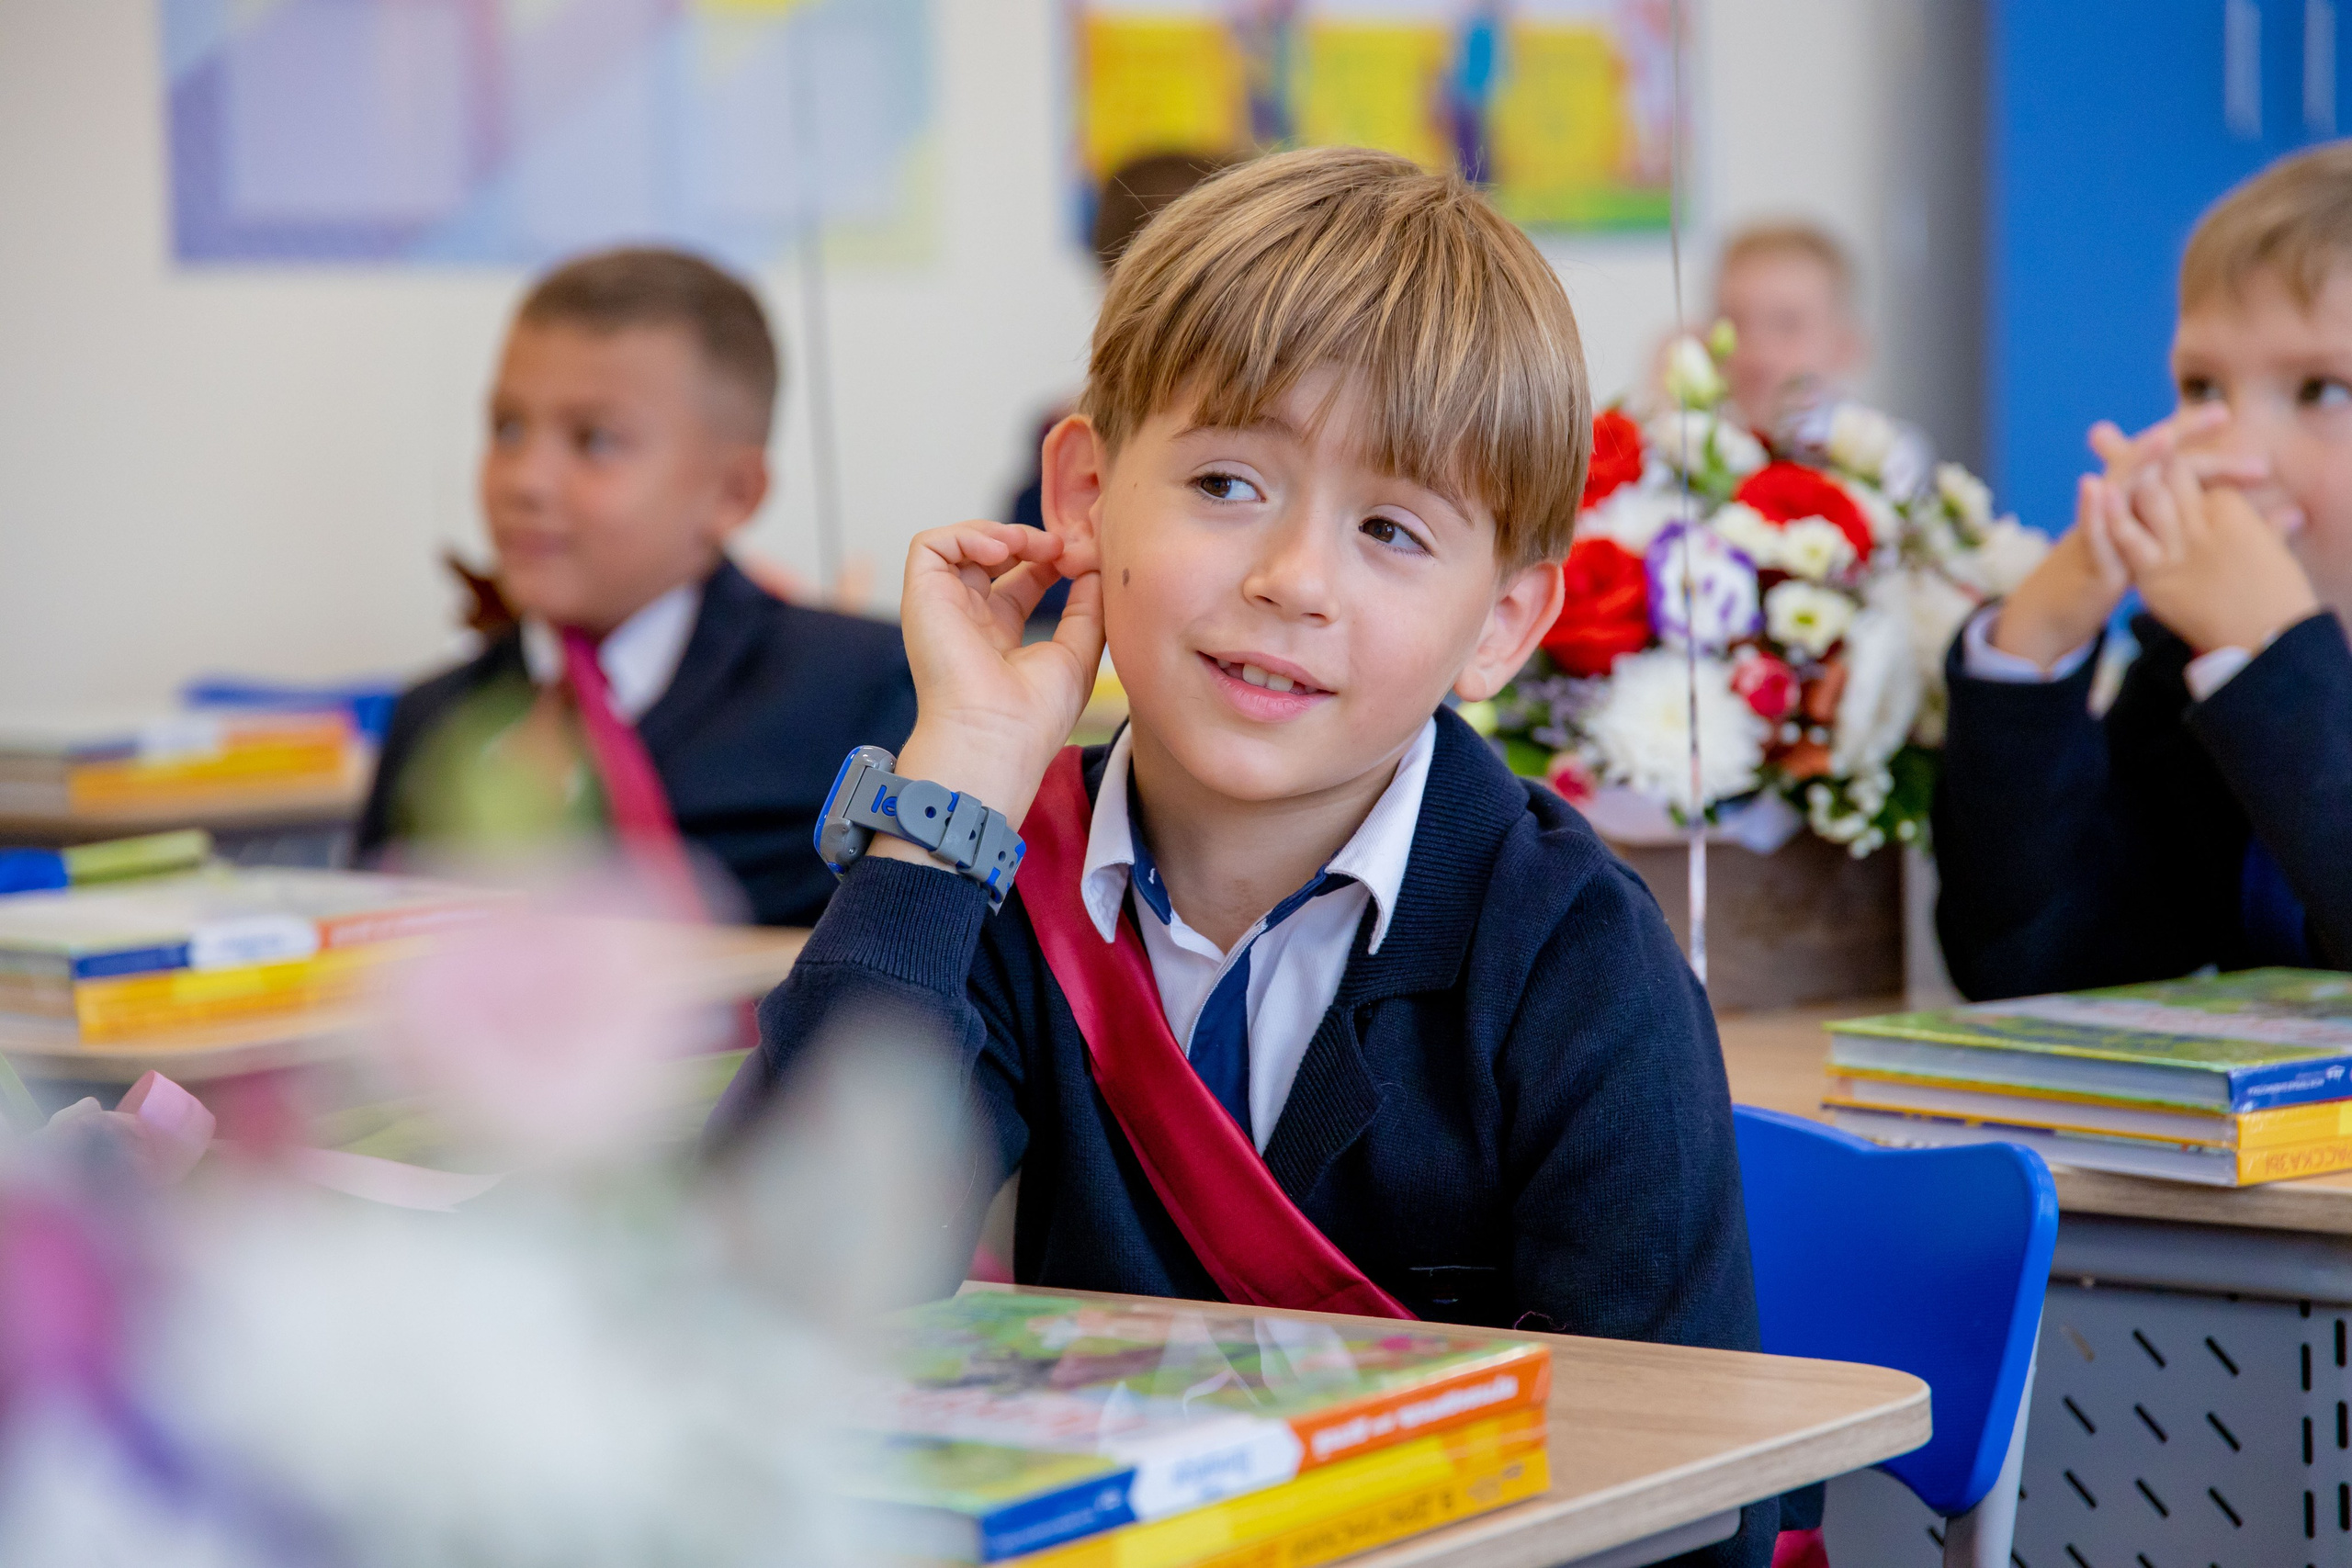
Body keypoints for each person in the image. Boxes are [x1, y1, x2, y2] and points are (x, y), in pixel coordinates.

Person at [716, 148, 1772, 1567]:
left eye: (1392, 529)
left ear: (1505, 623)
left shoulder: (1575, 955)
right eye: (1225, 481)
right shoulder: (1006, 886)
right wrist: (957, 772)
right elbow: (777, 1282)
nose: (1294, 578)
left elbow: (1684, 1508)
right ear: (1087, 495)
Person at [356, 247, 917, 928]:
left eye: (594, 440)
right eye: (507, 428)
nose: (524, 480)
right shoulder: (432, 720)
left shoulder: (861, 690)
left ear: (733, 493)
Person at [1934, 142, 2352, 998]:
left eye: (2322, 392)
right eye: (2202, 389)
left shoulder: (2240, 662)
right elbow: (2032, 966)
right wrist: (2037, 638)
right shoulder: (2191, 657)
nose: (2236, 451)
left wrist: (2270, 659)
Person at [1712, 221, 1866, 435]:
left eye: (1786, 325)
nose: (1759, 350)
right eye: (1735, 324)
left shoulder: (1887, 459)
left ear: (1845, 346)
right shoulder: (1703, 442)